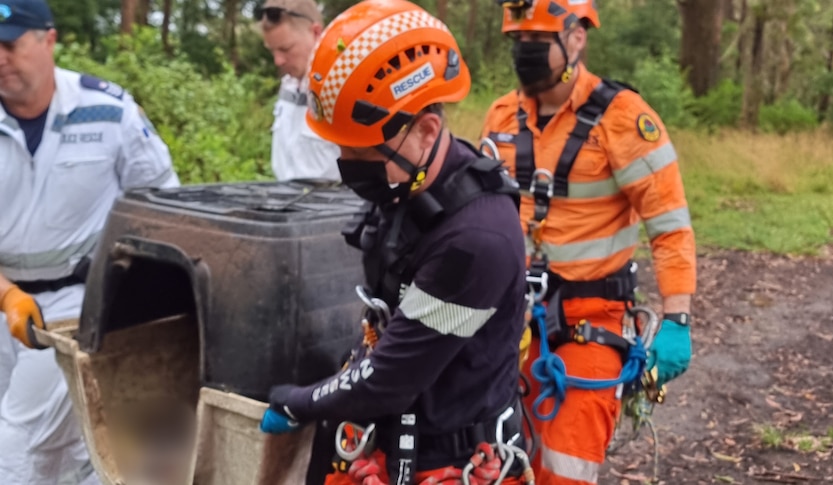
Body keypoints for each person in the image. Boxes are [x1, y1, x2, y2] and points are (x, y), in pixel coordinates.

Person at [258, 0, 531, 484]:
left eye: (360, 152)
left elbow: (389, 379)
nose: (347, 166)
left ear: (426, 131)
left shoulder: (476, 240)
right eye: (340, 149)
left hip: (454, 462)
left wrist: (299, 401)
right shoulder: (410, 183)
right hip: (390, 442)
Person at [480, 1, 697, 483]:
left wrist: (677, 319)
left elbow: (670, 227)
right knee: (496, 460)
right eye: (518, 43)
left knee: (565, 468)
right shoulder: (499, 117)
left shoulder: (625, 120)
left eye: (537, 43)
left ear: (576, 38)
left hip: (587, 323)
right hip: (508, 321)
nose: (524, 55)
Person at [0, 0, 179, 482]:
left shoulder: (107, 110)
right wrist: (6, 294)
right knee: (67, 445)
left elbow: (164, 204)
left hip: (76, 300)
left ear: (49, 40)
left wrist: (138, 295)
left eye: (9, 43)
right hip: (5, 294)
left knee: (19, 449)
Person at [257, 0, 341, 182]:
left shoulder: (342, 85)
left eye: (285, 49)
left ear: (316, 33)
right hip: (286, 202)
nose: (278, 61)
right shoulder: (288, 83)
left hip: (335, 207)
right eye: (272, 51)